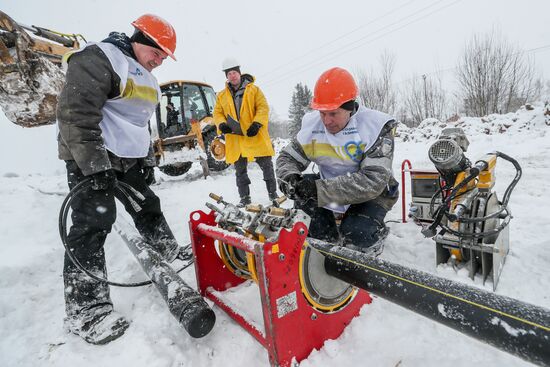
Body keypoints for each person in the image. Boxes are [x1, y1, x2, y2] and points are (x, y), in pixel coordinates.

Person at [56, 14, 183, 345]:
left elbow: (139, 123)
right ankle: (86, 311)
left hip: (126, 160)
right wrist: (95, 164)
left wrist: (146, 160)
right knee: (92, 223)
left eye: (164, 57)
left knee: (147, 205)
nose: (159, 61)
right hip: (92, 157)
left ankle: (166, 251)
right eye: (157, 53)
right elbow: (76, 112)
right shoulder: (102, 57)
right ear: (142, 40)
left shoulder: (144, 75)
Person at [276, 67, 399, 254]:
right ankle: (326, 237)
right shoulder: (312, 127)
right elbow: (287, 158)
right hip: (328, 192)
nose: (326, 121)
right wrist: (290, 177)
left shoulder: (375, 127)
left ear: (349, 108)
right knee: (315, 238)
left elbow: (372, 182)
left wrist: (318, 190)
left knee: (356, 238)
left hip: (373, 194)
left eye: (333, 113)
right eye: (322, 113)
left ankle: (374, 234)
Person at [213, 57, 278, 207]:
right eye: (229, 74)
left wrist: (257, 124)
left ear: (240, 73)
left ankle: (273, 195)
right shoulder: (221, 95)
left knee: (267, 167)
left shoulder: (254, 90)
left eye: (234, 72)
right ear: (226, 76)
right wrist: (222, 124)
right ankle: (244, 199)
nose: (232, 76)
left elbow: (263, 107)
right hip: (236, 138)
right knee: (240, 171)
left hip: (254, 135)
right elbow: (217, 113)